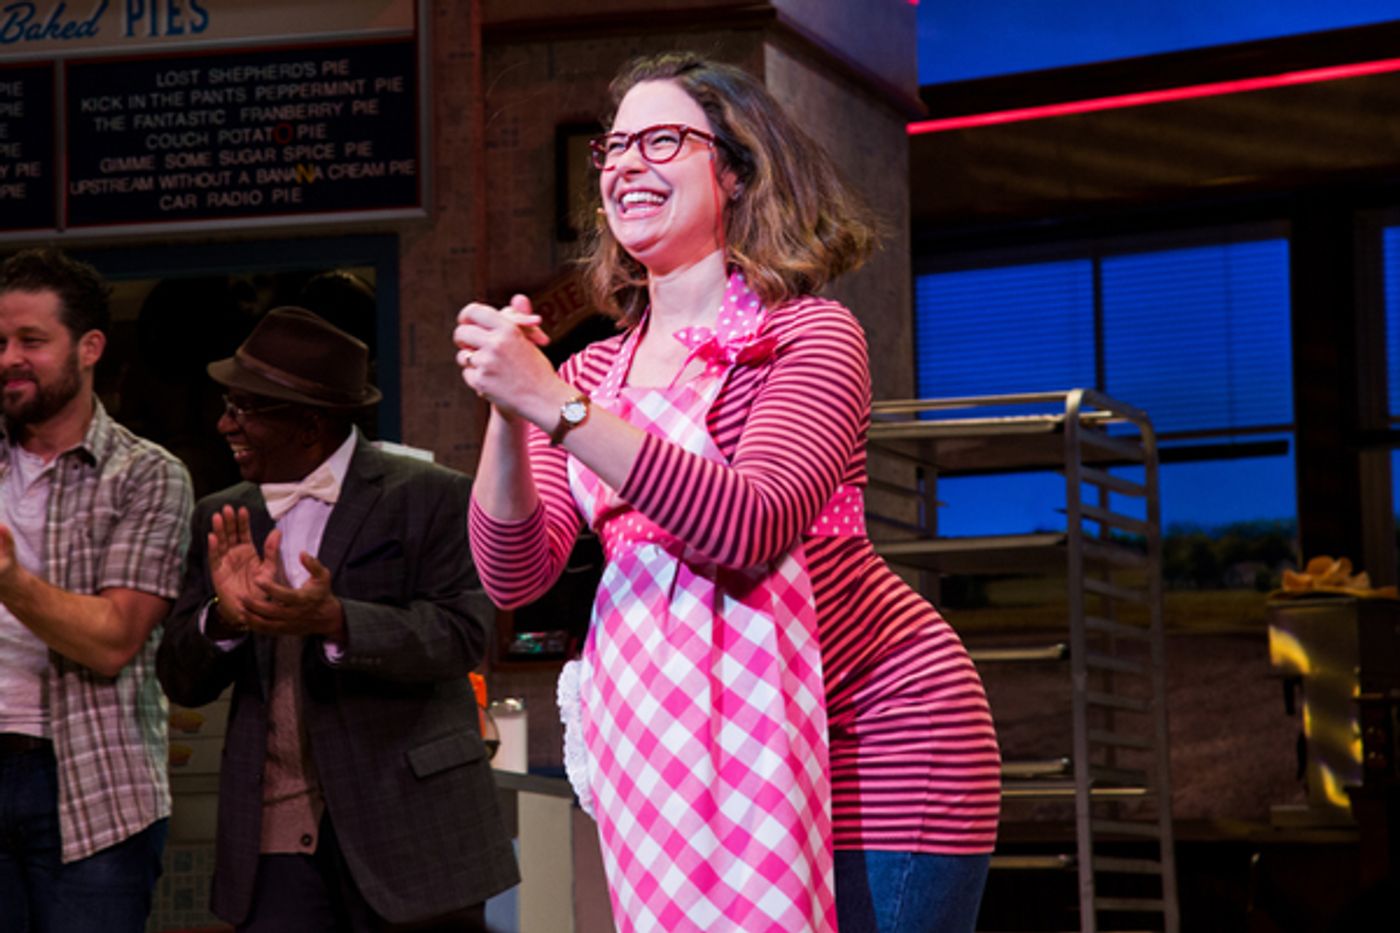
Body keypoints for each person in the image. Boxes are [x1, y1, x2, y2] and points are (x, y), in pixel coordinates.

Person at [454, 53, 1001, 933]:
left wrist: (551, 401)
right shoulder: (593, 372)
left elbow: (748, 523)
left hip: (876, 736)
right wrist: (510, 412)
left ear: (738, 169)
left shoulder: (809, 336)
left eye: (662, 139)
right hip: (688, 755)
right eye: (615, 146)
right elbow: (514, 575)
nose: (627, 163)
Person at [158, 307, 518, 932]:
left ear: (310, 423)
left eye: (244, 408)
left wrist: (336, 621)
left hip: (413, 834)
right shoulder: (223, 515)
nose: (223, 424)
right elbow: (181, 679)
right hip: (273, 846)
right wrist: (225, 618)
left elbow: (462, 635)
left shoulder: (433, 495)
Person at [0, 247, 193, 932]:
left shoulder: (146, 475)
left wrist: (10, 581)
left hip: (91, 785)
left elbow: (114, 639)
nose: (8, 358)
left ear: (89, 347)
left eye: (31, 340)